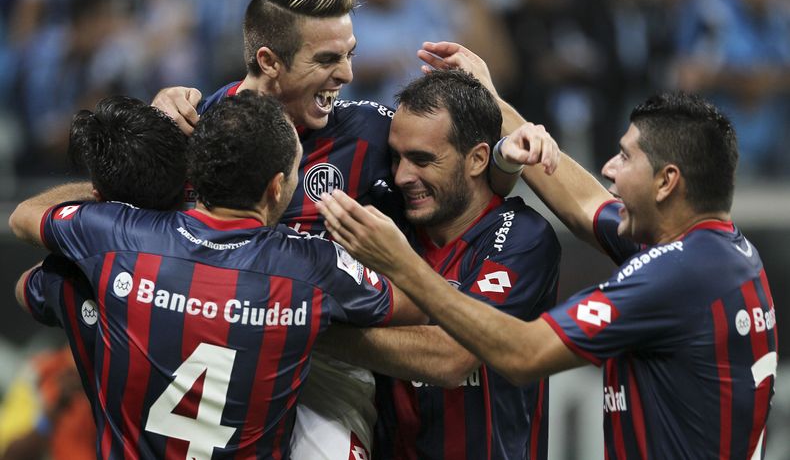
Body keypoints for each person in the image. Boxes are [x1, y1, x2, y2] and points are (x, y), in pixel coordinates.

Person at [151, 0, 557, 459]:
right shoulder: (194, 129)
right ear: (269, 60)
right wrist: (157, 127)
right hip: (212, 348)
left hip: (323, 370)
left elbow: (451, 175)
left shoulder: (364, 130)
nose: (346, 74)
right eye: (327, 59)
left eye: (350, 55)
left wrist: (501, 158)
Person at [318, 83, 778, 458]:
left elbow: (520, 354)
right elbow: (586, 204)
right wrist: (494, 101)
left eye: (626, 156)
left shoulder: (674, 275)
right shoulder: (717, 252)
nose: (609, 169)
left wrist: (394, 271)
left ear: (667, 181)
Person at [9, 91, 423, 459]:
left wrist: (116, 189)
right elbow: (419, 305)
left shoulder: (117, 235)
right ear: (277, 187)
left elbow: (26, 257)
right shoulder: (313, 267)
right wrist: (395, 256)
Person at [317, 69, 561, 459]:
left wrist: (309, 334)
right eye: (395, 157)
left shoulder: (523, 238)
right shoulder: (387, 215)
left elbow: (452, 357)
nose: (401, 176)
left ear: (478, 159)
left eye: (422, 160)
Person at [11, 94, 192, 459]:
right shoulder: (233, 257)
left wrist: (101, 205)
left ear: (98, 195)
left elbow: (22, 224)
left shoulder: (76, 276)